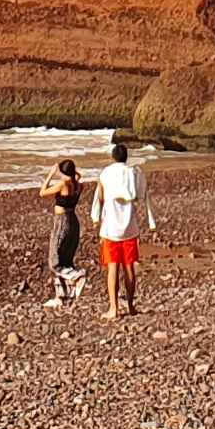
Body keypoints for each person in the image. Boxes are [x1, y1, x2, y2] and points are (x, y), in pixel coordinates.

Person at [93, 136, 153, 317]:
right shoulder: (133, 173)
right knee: (129, 267)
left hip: (111, 226)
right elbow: (141, 194)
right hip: (129, 225)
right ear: (126, 157)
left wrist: (96, 216)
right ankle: (130, 306)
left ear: (112, 158)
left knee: (113, 268)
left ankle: (113, 308)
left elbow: (101, 198)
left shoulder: (105, 174)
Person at [40, 153, 88, 308]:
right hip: (73, 220)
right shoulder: (77, 185)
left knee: (55, 260)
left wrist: (50, 175)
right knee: (66, 259)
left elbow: (43, 193)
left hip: (62, 221)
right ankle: (61, 296)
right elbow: (77, 178)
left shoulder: (63, 184)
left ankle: (77, 277)